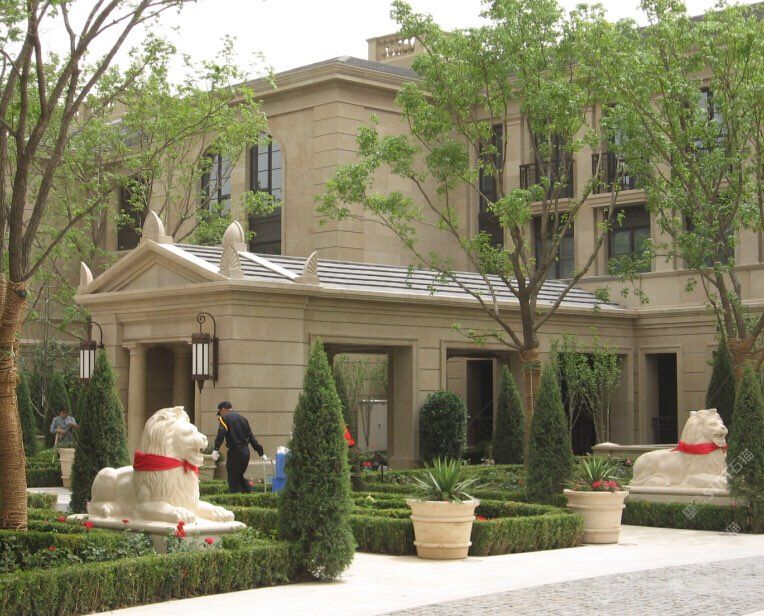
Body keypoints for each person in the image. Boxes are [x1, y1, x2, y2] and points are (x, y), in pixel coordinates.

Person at [211, 401, 265, 493]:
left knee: (233, 479)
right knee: (239, 476)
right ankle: (251, 493)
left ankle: (236, 499)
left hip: (235, 452)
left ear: (223, 409)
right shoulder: (243, 419)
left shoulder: (225, 418)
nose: (220, 415)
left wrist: (216, 449)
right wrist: (261, 453)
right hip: (245, 452)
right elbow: (252, 438)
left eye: (220, 412)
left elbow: (221, 433)